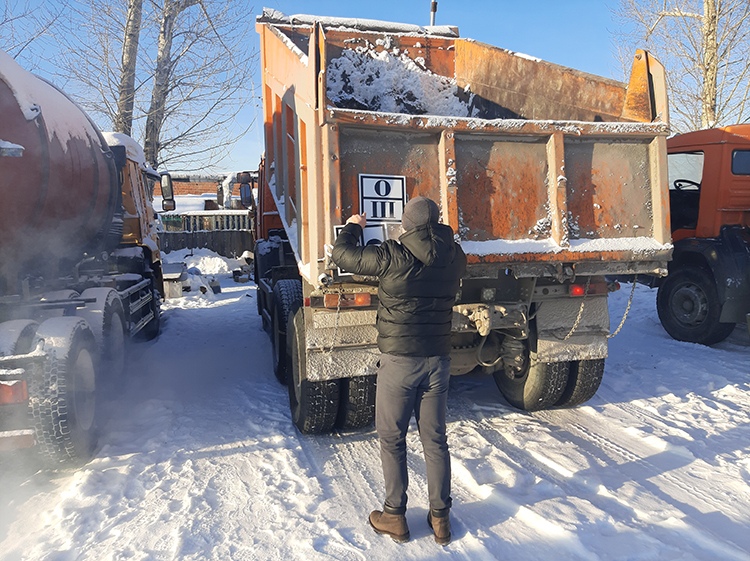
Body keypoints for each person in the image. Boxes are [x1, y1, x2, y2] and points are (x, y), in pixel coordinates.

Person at [332, 196, 466, 545]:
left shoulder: (392, 255)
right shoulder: (454, 255)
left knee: (392, 439)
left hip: (400, 363)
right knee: (435, 440)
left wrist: (353, 227)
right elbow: (453, 254)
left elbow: (343, 256)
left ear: (406, 225)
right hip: (438, 362)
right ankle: (441, 520)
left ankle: (394, 515)